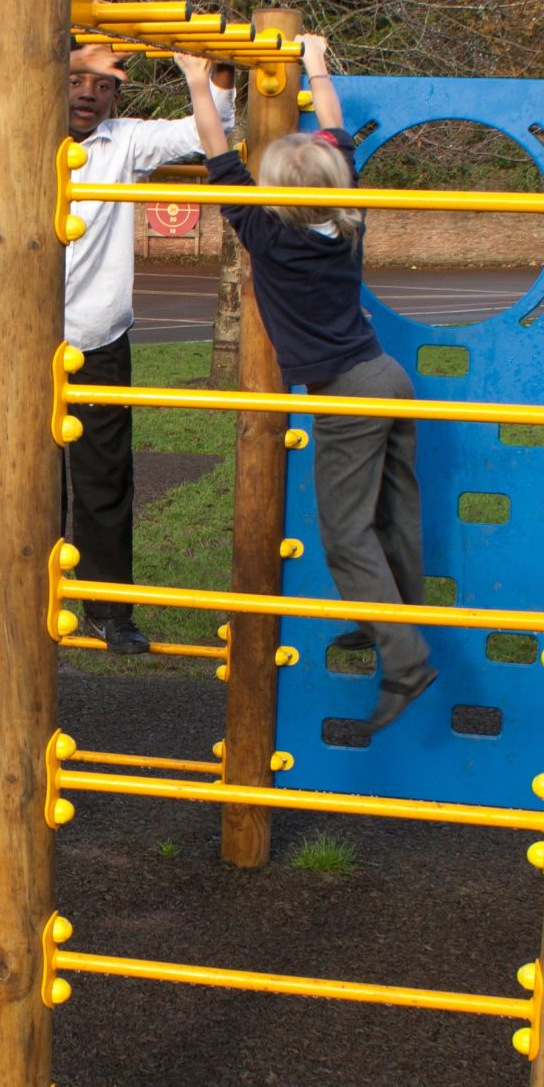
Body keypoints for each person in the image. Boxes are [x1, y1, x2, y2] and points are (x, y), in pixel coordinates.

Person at [180, 38, 434, 742]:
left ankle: (407, 662)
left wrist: (200, 83)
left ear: (273, 193)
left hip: (349, 393)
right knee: (393, 513)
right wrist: (317, 60)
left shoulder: (267, 232)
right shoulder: (346, 212)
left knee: (346, 533)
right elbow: (335, 127)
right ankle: (393, 618)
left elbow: (215, 150)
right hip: (390, 379)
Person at [55, 39, 214, 652]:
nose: (89, 94)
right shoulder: (17, 128)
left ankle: (108, 610)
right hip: (24, 337)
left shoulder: (123, 142)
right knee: (28, 481)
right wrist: (81, 45)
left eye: (103, 85)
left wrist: (207, 76)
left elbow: (207, 130)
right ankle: (27, 596)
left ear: (118, 95)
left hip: (99, 339)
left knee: (104, 479)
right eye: (76, 81)